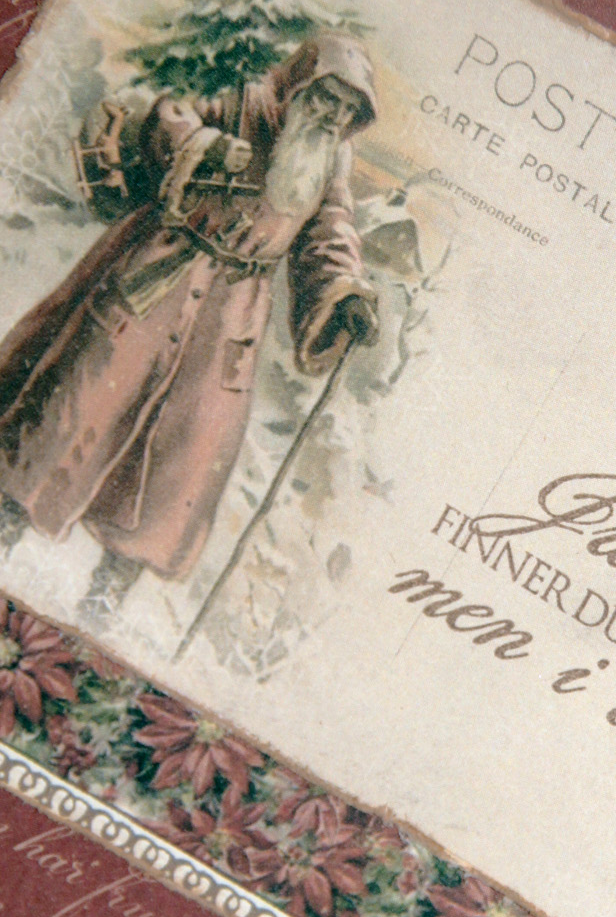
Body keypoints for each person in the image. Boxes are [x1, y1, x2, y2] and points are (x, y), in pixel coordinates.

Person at [0, 33, 380, 623]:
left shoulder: (332, 160)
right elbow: (167, 118)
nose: (332, 116)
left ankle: (107, 596)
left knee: (184, 460)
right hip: (159, 276)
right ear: (300, 84)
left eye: (347, 109)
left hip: (231, 320)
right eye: (326, 97)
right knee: (77, 406)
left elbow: (329, 230)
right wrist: (200, 145)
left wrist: (344, 290)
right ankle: (6, 524)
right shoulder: (242, 104)